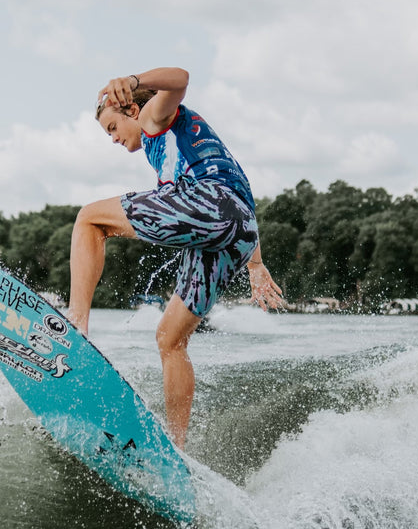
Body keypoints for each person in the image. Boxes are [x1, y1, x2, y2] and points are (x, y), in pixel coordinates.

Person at [67, 67, 284, 450]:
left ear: (132, 110)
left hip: (211, 206)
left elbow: (181, 78)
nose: (114, 140)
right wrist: (255, 263)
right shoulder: (179, 147)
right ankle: (177, 448)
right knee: (170, 338)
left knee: (89, 219)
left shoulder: (154, 116)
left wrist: (133, 81)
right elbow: (240, 202)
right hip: (238, 230)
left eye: (113, 128)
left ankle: (76, 326)